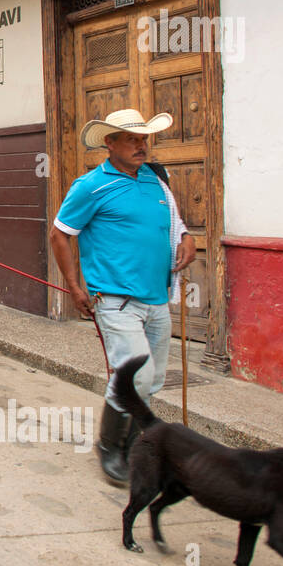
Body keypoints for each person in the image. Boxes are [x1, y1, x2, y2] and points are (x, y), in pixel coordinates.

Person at [48, 108, 196, 485]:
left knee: (154, 378)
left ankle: (134, 444)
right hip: (115, 301)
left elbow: (175, 222)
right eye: (131, 139)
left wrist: (187, 238)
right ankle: (109, 447)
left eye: (143, 139)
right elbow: (60, 234)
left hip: (157, 298)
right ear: (109, 143)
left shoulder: (156, 180)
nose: (140, 146)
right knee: (136, 374)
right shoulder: (90, 185)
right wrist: (74, 285)